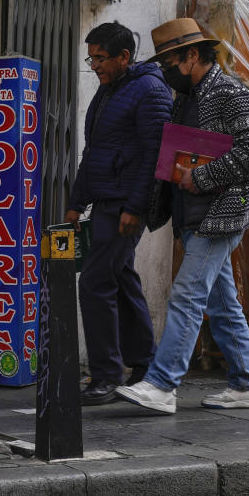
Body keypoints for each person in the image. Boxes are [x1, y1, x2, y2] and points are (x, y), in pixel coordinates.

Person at [116, 18, 249, 414]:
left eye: (170, 61)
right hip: (194, 214)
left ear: (193, 55)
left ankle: (163, 384)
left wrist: (200, 177)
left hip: (221, 213)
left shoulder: (228, 91)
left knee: (187, 295)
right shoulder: (186, 97)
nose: (166, 70)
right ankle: (248, 385)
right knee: (221, 302)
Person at [64, 22, 173, 406]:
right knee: (121, 279)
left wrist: (134, 208)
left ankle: (107, 375)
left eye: (100, 57)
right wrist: (77, 202)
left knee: (94, 282)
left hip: (125, 205)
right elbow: (94, 151)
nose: (94, 65)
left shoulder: (149, 90)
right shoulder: (110, 89)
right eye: (91, 57)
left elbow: (153, 155)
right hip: (107, 202)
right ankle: (145, 363)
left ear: (124, 56)